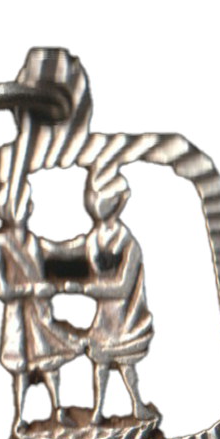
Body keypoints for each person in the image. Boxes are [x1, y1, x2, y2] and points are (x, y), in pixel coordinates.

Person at [0, 179, 86, 434]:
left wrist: (86, 243)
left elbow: (61, 250)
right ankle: (19, 417)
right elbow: (2, 290)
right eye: (22, 203)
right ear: (8, 208)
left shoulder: (34, 242)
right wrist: (32, 289)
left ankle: (58, 410)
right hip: (18, 317)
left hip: (40, 313)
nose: (28, 207)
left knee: (50, 361)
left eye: (28, 202)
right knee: (20, 368)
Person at [64, 171, 156, 424]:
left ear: (115, 200)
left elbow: (122, 288)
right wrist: (43, 250)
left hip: (125, 315)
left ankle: (137, 405)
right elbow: (72, 248)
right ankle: (98, 411)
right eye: (92, 194)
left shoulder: (129, 244)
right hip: (104, 316)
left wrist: (83, 288)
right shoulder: (95, 238)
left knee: (126, 364)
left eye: (100, 195)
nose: (93, 200)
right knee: (101, 363)